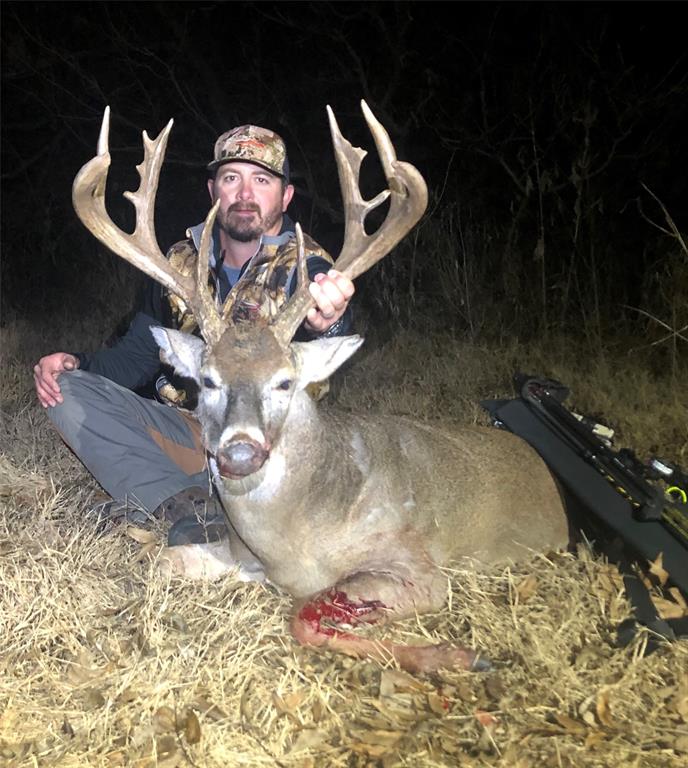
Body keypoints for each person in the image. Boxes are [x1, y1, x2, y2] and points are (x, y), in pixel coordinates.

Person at [33, 123, 354, 544]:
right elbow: (138, 355)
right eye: (231, 178)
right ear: (212, 190)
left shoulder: (308, 269)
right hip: (192, 428)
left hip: (270, 438)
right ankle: (190, 505)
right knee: (66, 390)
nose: (245, 193)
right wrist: (78, 363)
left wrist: (328, 321)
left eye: (262, 180)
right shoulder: (178, 262)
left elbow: (326, 340)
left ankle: (159, 494)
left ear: (286, 196)